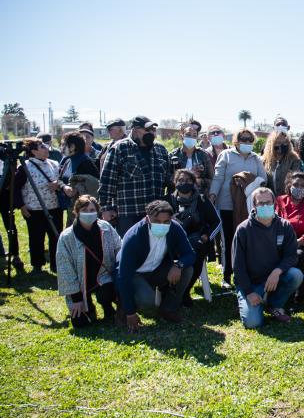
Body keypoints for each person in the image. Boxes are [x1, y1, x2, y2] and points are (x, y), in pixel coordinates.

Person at [115, 200, 196, 331]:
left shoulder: (175, 228)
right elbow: (123, 276)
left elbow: (190, 254)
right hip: (135, 274)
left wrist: (178, 265)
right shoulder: (134, 236)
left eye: (166, 222)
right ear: (147, 219)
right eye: (157, 221)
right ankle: (123, 308)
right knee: (148, 301)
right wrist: (130, 313)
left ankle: (168, 309)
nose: (162, 225)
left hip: (157, 270)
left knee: (187, 269)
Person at [232, 187, 304, 328]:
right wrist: (249, 292)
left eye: (268, 202)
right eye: (261, 203)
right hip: (251, 283)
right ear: (254, 206)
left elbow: (291, 256)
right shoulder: (243, 229)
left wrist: (277, 271)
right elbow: (237, 266)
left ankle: (274, 305)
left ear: (274, 203)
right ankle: (250, 301)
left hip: (274, 278)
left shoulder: (285, 226)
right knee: (253, 323)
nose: (265, 206)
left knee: (296, 275)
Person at [209, 128, 266, 287]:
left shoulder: (256, 159)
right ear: (236, 140)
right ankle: (226, 275)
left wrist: (247, 180)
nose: (247, 142)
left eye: (250, 140)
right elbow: (218, 177)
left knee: (247, 240)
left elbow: (263, 179)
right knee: (227, 240)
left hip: (248, 205)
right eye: (243, 139)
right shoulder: (226, 155)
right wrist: (213, 195)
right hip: (227, 204)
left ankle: (246, 273)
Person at [98, 116, 172, 236]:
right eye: (148, 130)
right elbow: (107, 181)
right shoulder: (119, 148)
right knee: (130, 252)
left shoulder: (161, 149)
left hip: (157, 215)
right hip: (129, 214)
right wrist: (106, 208)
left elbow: (169, 180)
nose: (152, 133)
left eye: (153, 130)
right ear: (135, 130)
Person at [56, 195, 121, 327]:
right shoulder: (66, 237)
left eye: (92, 210)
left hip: (103, 277)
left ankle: (108, 305)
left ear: (97, 212)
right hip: (79, 284)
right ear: (76, 212)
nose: (88, 213)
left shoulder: (106, 228)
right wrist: (76, 299)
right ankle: (88, 307)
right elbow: (65, 268)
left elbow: (119, 249)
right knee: (80, 324)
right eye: (84, 210)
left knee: (106, 294)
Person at [164, 169, 221, 306]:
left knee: (197, 250)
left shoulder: (202, 200)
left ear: (194, 183)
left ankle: (185, 291)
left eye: (188, 181)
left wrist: (207, 236)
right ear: (175, 183)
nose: (184, 183)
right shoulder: (167, 201)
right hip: (172, 242)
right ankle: (169, 290)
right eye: (180, 180)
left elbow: (216, 222)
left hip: (197, 240)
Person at [13, 138, 69, 273]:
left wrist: (58, 185)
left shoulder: (54, 164)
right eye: (41, 146)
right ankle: (37, 265)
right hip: (34, 209)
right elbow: (16, 187)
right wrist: (21, 206)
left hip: (54, 207)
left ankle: (56, 264)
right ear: (33, 151)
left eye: (45, 145)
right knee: (36, 237)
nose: (46, 148)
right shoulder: (24, 167)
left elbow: (63, 181)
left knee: (56, 237)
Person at [275, 171, 304, 269]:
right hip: (280, 241)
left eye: (303, 186)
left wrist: (301, 240)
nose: (299, 188)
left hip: (300, 243)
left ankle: (299, 282)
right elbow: (273, 221)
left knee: (297, 255)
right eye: (295, 184)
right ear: (289, 186)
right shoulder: (279, 200)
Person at [57, 131, 100, 221]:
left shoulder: (85, 163)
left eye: (63, 144)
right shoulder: (68, 161)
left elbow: (72, 191)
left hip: (85, 211)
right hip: (73, 208)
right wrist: (62, 185)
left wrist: (63, 186)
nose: (61, 147)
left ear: (72, 146)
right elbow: (61, 179)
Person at [169, 123, 214, 196]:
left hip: (199, 198)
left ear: (197, 138)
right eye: (188, 134)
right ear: (181, 136)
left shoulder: (203, 155)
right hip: (177, 198)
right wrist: (184, 178)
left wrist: (198, 181)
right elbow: (166, 179)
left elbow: (211, 179)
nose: (191, 138)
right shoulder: (173, 155)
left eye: (194, 136)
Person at [262, 129, 301, 196]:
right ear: (272, 144)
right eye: (278, 142)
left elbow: (294, 181)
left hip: (287, 199)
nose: (281, 145)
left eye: (285, 142)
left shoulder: (294, 159)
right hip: (269, 199)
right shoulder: (265, 160)